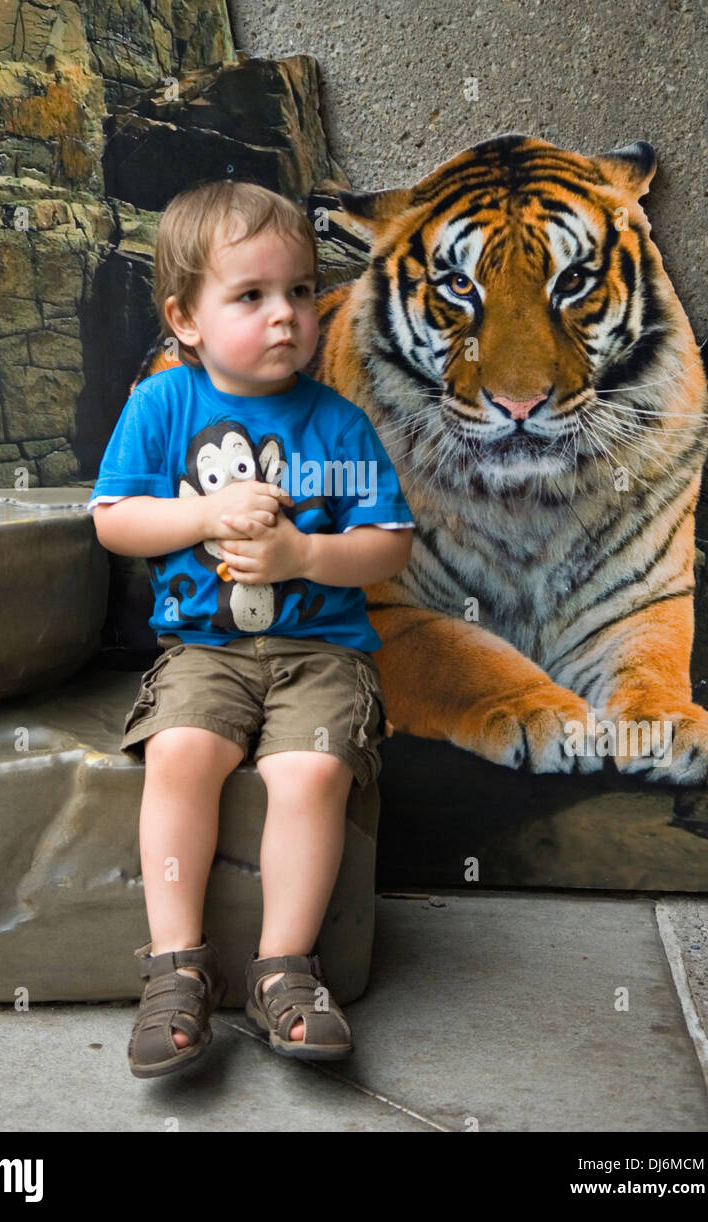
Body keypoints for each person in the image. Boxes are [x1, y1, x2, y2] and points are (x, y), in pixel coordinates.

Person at [89, 179, 414, 1078]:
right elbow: (114, 522)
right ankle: (175, 967)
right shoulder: (162, 407)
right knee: (180, 755)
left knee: (310, 771)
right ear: (184, 318)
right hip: (206, 649)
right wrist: (201, 516)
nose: (286, 317)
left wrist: (304, 559)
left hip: (321, 656)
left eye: (301, 292)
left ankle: (284, 969)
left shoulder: (338, 422)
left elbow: (388, 545)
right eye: (251, 296)